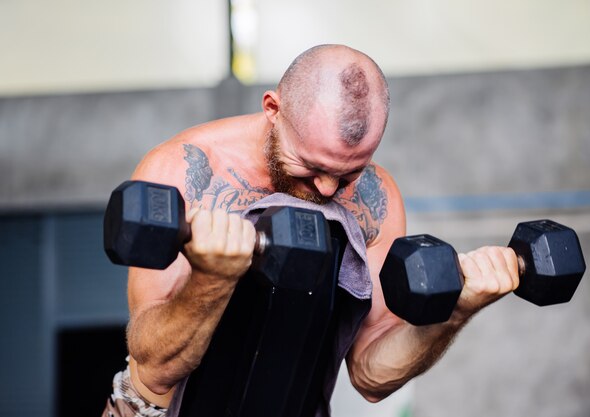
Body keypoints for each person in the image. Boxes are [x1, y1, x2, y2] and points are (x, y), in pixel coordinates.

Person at [102, 44, 519, 416]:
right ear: (272, 108)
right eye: (313, 167)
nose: (326, 189)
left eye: (348, 173)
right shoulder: (185, 172)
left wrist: (454, 313)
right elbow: (155, 365)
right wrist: (212, 278)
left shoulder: (375, 198)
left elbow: (371, 376)